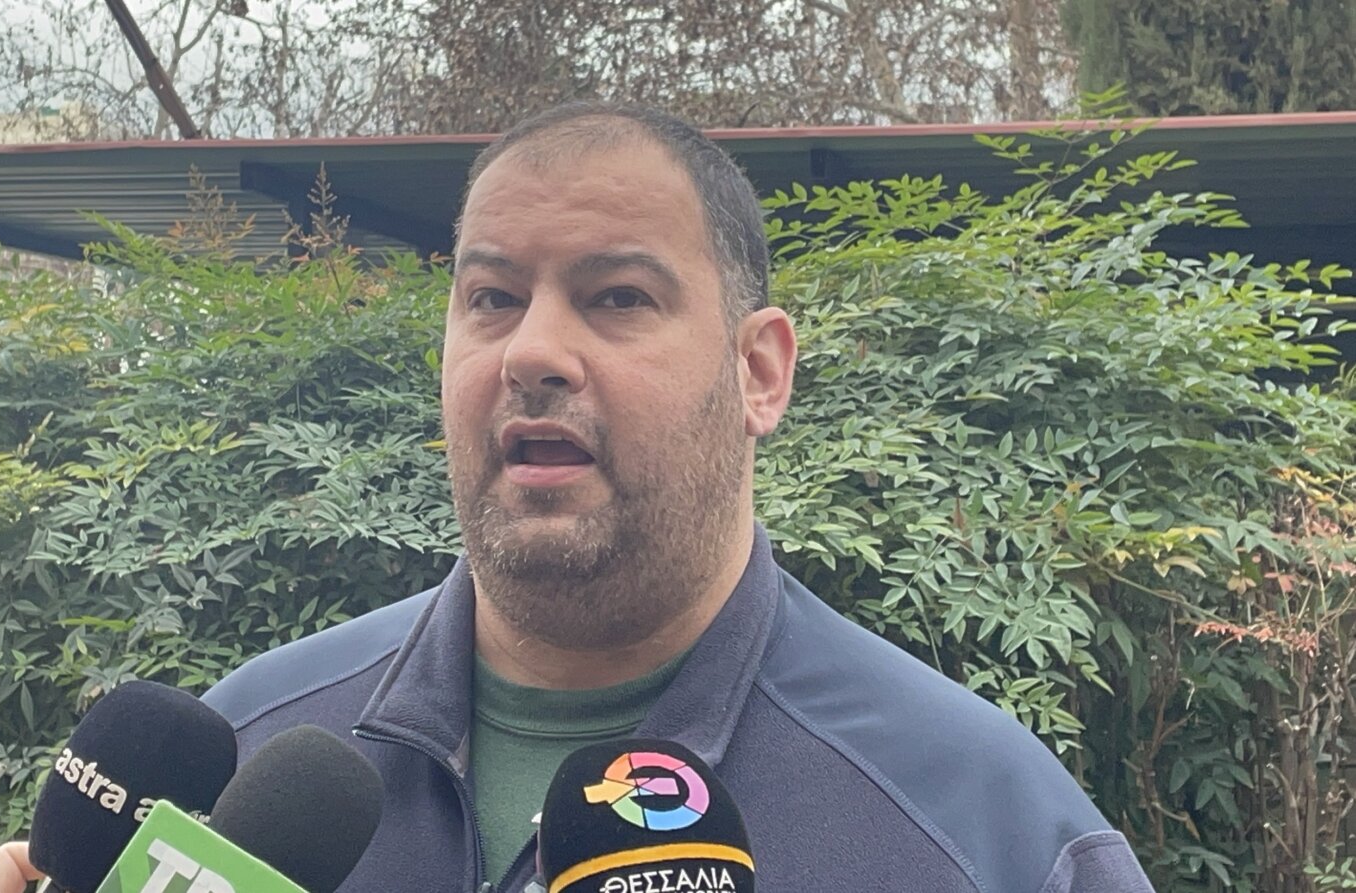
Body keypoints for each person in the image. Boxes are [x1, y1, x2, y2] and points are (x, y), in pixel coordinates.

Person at [204, 102, 1155, 893]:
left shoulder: (989, 831)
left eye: (618, 296)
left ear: (758, 372)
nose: (530, 352)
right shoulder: (238, 764)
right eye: (492, 297)